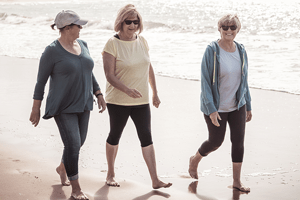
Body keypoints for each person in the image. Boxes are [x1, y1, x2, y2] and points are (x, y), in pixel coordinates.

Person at [29, 10, 106, 200]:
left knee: (78, 142)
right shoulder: (52, 51)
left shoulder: (83, 44)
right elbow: (41, 81)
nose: (81, 28)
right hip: (63, 106)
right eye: (78, 25)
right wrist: (35, 108)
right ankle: (76, 188)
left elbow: (89, 71)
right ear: (67, 28)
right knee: (72, 144)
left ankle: (62, 167)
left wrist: (98, 93)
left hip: (84, 103)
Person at [102, 4, 172, 189]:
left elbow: (148, 66)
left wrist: (155, 92)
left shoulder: (142, 41)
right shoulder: (112, 44)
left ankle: (155, 180)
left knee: (146, 137)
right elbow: (109, 75)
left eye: (136, 22)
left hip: (141, 100)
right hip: (118, 100)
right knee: (115, 135)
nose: (133, 25)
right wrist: (127, 90)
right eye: (128, 22)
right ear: (121, 22)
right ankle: (110, 174)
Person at [188, 14, 252, 192]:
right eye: (225, 27)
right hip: (216, 106)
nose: (229, 30)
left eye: (233, 27)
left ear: (238, 29)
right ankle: (195, 159)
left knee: (238, 142)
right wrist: (211, 109)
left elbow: (244, 80)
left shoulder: (241, 50)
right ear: (219, 28)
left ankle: (237, 182)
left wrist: (249, 104)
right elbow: (205, 82)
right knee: (216, 141)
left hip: (237, 104)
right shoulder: (212, 50)